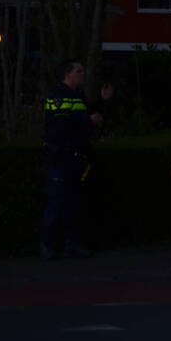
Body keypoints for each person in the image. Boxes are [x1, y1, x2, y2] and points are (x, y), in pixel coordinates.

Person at [42, 59, 112, 260]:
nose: (83, 74)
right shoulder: (57, 95)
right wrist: (87, 121)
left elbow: (88, 116)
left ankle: (71, 245)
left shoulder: (78, 96)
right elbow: (59, 125)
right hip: (60, 156)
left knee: (74, 203)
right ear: (68, 74)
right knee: (57, 202)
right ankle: (49, 246)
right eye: (79, 71)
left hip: (76, 157)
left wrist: (103, 102)